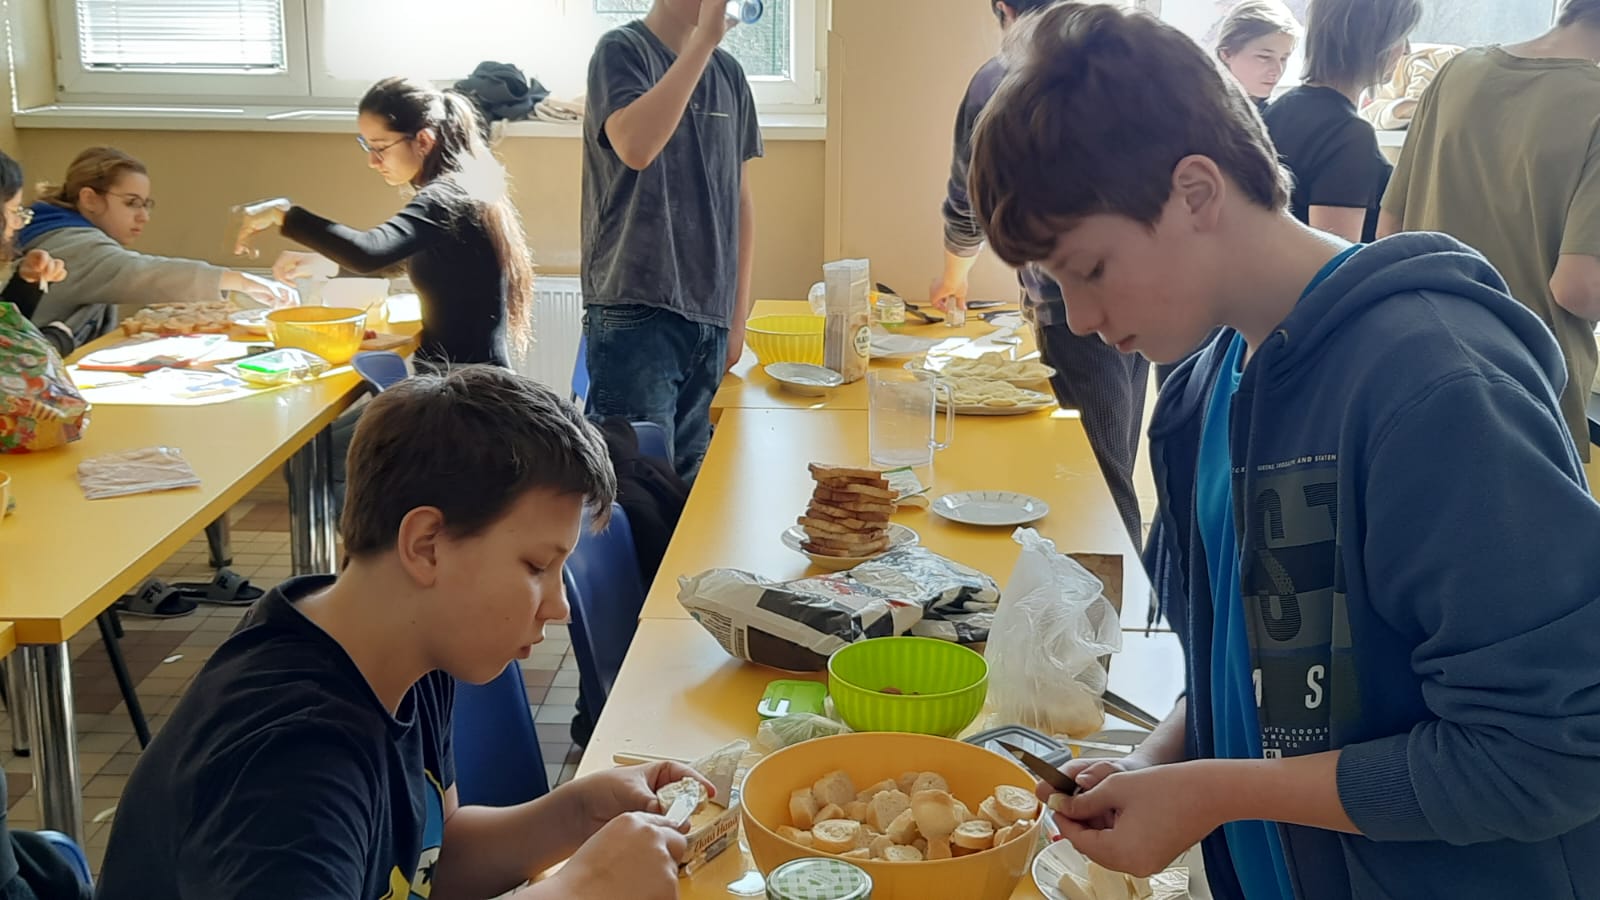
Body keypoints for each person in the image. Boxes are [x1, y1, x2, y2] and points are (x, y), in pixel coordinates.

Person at [968, 4, 1600, 898]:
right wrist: (1160, 760)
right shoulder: (1201, 392)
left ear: (1196, 192)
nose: (1080, 320)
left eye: (1092, 269)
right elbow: (1260, 663)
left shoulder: (1435, 389)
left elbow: (1550, 753)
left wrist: (1215, 793)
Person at [97, 365, 708, 900]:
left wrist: (577, 813)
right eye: (535, 566)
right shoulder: (291, 770)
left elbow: (429, 859)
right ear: (426, 545)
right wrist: (578, 890)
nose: (559, 608)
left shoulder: (406, 649)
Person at [933, 0, 1150, 546]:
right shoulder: (1112, 60)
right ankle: (1110, 581)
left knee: (1096, 479)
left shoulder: (1000, 77)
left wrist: (955, 275)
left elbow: (969, 197)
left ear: (1003, 8)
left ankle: (1109, 590)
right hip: (1150, 294)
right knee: (1114, 461)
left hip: (1073, 308)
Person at [1379, 0, 1600, 461]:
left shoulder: (1458, 70)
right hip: (1524, 391)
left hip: (1414, 365)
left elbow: (1390, 233)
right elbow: (1579, 288)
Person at [236, 76, 535, 371]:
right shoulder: (458, 188)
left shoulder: (446, 197)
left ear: (423, 140)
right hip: (460, 374)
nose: (372, 161)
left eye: (379, 147)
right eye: (367, 147)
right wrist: (325, 264)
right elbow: (398, 259)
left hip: (465, 384)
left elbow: (370, 252)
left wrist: (284, 215)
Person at [582, 0, 762, 482]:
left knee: (689, 486)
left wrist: (736, 317)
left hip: (709, 315)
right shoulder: (621, 50)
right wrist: (703, 41)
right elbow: (636, 147)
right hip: (636, 308)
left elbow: (740, 201)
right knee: (635, 487)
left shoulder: (729, 74)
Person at [1, 147, 294, 331]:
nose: (143, 217)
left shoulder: (56, 230)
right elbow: (143, 273)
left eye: (146, 205)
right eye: (131, 203)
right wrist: (241, 280)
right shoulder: (72, 245)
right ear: (89, 199)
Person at [1262, 0, 1420, 242]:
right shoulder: (1349, 135)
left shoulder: (1280, 109)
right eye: (1401, 38)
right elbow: (1335, 257)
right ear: (1375, 42)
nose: (1406, 50)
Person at [1214, 0, 1299, 111]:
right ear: (1227, 54)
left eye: (1283, 58)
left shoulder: (1282, 113)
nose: (1277, 70)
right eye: (1264, 57)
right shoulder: (1198, 111)